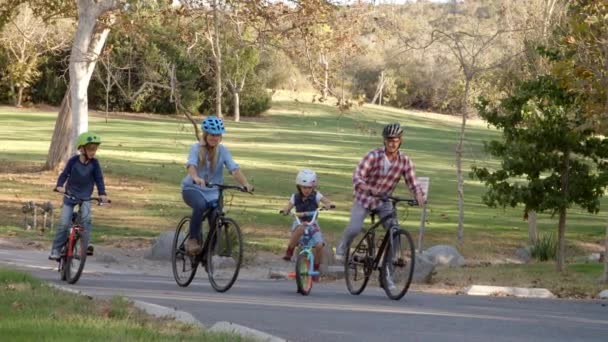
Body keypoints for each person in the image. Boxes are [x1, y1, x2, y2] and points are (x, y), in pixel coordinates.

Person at [335, 123, 425, 268]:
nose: (392, 144)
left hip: (384, 200)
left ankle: (391, 263)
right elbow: (357, 176)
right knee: (354, 228)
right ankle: (342, 248)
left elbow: (412, 182)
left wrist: (419, 195)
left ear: (400, 141)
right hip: (364, 198)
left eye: (395, 140)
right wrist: (368, 188)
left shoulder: (405, 161)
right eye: (389, 140)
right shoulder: (373, 156)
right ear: (384, 140)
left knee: (394, 230)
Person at [181, 116, 253, 256]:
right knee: (200, 205)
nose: (215, 138)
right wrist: (195, 177)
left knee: (216, 220)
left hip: (213, 192)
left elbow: (234, 169)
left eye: (218, 135)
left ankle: (208, 254)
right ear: (206, 134)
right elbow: (191, 165)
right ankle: (193, 240)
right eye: (212, 134)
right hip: (193, 188)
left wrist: (245, 184)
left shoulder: (223, 151)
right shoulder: (196, 148)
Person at [49, 132, 109, 260]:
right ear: (82, 149)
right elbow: (64, 174)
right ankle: (56, 249)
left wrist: (102, 194)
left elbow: (99, 179)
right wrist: (60, 185)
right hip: (70, 196)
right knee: (64, 224)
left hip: (85, 197)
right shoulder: (73, 162)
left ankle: (84, 246)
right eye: (90, 149)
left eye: (95, 149)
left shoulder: (94, 164)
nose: (93, 152)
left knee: (86, 220)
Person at [279, 169, 334, 282]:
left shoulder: (317, 195)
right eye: (304, 187)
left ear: (313, 187)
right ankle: (289, 251)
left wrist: (329, 204)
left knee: (319, 245)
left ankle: (316, 268)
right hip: (299, 221)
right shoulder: (295, 197)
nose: (307, 190)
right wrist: (285, 210)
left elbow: (327, 201)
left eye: (309, 188)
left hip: (313, 223)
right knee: (300, 229)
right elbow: (288, 207)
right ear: (299, 186)